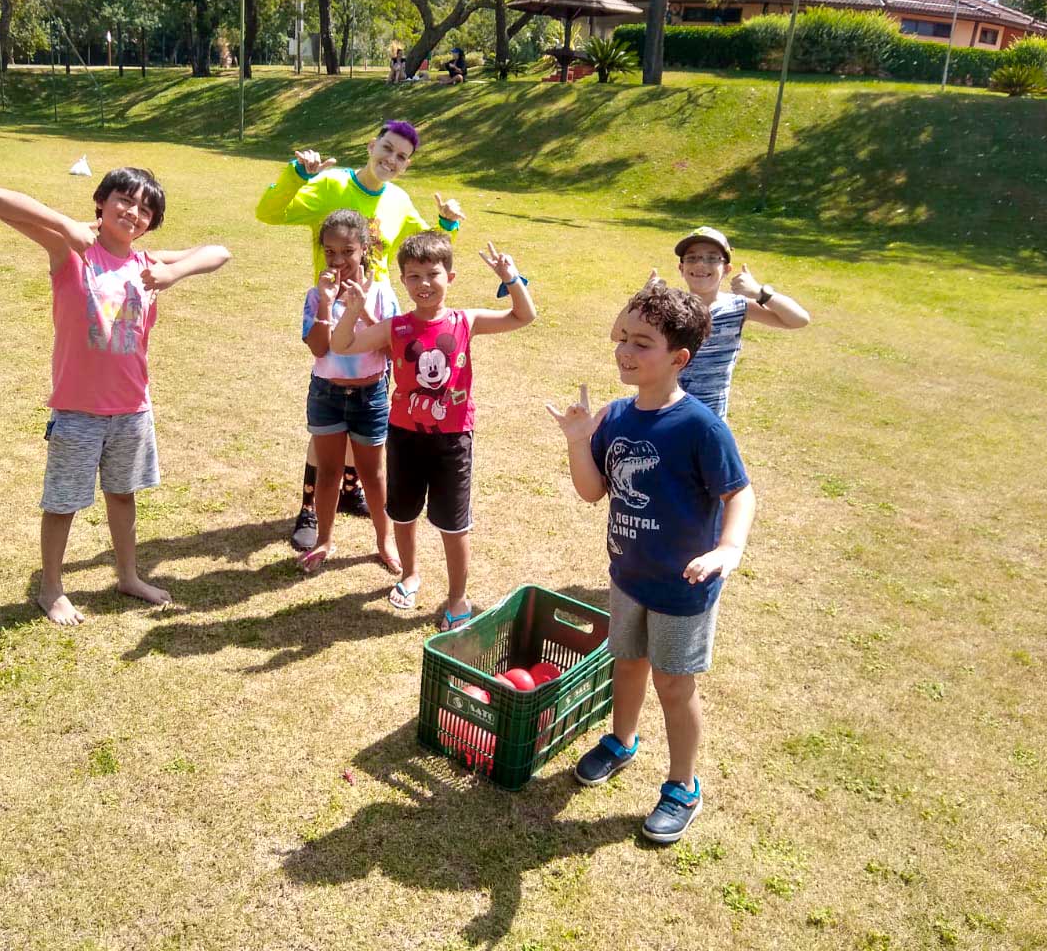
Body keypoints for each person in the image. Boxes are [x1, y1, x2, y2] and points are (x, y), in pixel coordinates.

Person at [548, 279, 756, 843]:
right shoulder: (616, 416)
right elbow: (592, 492)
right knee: (627, 662)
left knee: (673, 684)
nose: (625, 351)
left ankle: (683, 785)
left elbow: (739, 494)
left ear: (679, 358)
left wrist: (728, 549)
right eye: (623, 338)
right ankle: (622, 740)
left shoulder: (700, 426)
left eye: (642, 344)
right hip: (628, 575)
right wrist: (577, 441)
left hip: (683, 586)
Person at [0, 169, 230, 627]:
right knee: (63, 502)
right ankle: (51, 588)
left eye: (145, 209)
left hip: (132, 408)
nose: (133, 212)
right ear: (102, 200)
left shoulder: (147, 263)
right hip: (78, 409)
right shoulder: (72, 250)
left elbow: (220, 252)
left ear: (151, 223)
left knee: (122, 494)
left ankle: (128, 577)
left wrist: (173, 272)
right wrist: (66, 224)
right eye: (124, 200)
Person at [255, 120, 467, 553]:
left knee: (367, 412)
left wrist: (448, 225)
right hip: (332, 305)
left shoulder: (398, 200)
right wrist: (297, 175)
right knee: (331, 414)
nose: (391, 160)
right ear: (371, 145)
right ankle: (310, 509)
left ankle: (352, 491)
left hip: (377, 312)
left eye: (402, 157)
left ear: (407, 165)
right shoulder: (331, 184)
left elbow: (425, 247)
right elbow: (269, 212)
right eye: (387, 148)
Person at [331, 232, 534, 631]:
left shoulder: (465, 321)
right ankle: (409, 575)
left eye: (432, 274)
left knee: (453, 523)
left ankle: (458, 597)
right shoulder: (395, 327)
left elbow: (523, 316)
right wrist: (353, 310)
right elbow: (343, 345)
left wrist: (511, 279)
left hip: (453, 439)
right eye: (414, 276)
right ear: (403, 281)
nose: (423, 284)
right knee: (403, 513)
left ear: (450, 277)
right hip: (405, 436)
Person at [297, 210, 400, 575]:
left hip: (370, 396)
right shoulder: (316, 295)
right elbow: (318, 348)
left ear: (364, 250)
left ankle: (385, 541)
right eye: (330, 251)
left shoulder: (382, 293)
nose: (338, 260)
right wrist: (327, 303)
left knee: (373, 475)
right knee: (328, 472)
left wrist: (364, 311)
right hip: (326, 395)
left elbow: (393, 349)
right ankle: (324, 540)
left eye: (347, 251)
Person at [643, 226, 809, 420]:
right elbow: (619, 334)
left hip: (710, 419)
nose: (701, 264)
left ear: (727, 269)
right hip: (662, 413)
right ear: (681, 268)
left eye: (712, 258)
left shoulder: (738, 307)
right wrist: (645, 299)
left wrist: (760, 293)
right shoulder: (670, 306)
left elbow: (799, 320)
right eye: (692, 258)